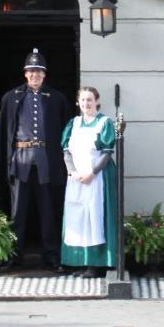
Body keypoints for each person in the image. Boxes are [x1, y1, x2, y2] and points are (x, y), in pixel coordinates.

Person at [0, 48, 70, 270]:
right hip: (20, 161)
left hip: (46, 162)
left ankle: (52, 258)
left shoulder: (57, 98)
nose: (35, 75)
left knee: (48, 212)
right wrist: (2, 164)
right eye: (31, 71)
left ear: (44, 75)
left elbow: (65, 133)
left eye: (39, 72)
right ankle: (13, 257)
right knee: (17, 214)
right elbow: (3, 134)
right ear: (25, 74)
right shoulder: (11, 97)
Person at [60, 87, 117, 278]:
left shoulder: (104, 123)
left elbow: (107, 153)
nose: (86, 104)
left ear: (97, 101)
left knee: (95, 216)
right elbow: (66, 151)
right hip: (77, 178)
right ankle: (78, 261)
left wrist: (92, 172)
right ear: (78, 103)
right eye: (83, 100)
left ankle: (97, 264)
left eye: (90, 100)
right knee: (77, 217)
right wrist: (74, 172)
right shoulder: (73, 124)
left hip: (98, 177)